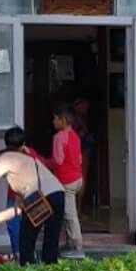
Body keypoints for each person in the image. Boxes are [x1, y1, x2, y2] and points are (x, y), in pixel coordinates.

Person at [0, 144, 66, 265]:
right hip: (58, 193)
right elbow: (18, 209)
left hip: (39, 198)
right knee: (51, 240)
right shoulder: (24, 164)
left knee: (26, 240)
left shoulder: (4, 158)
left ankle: (27, 270)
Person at [0, 126, 43, 257]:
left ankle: (27, 254)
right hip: (14, 198)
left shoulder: (31, 154)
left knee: (28, 227)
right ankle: (19, 254)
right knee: (14, 227)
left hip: (30, 197)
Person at [50, 103, 85, 258]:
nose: (53, 122)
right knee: (66, 211)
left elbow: (57, 161)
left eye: (55, 119)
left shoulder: (58, 137)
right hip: (78, 178)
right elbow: (79, 158)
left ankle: (77, 247)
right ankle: (69, 242)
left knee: (70, 214)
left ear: (62, 120)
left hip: (66, 180)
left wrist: (43, 162)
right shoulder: (75, 136)